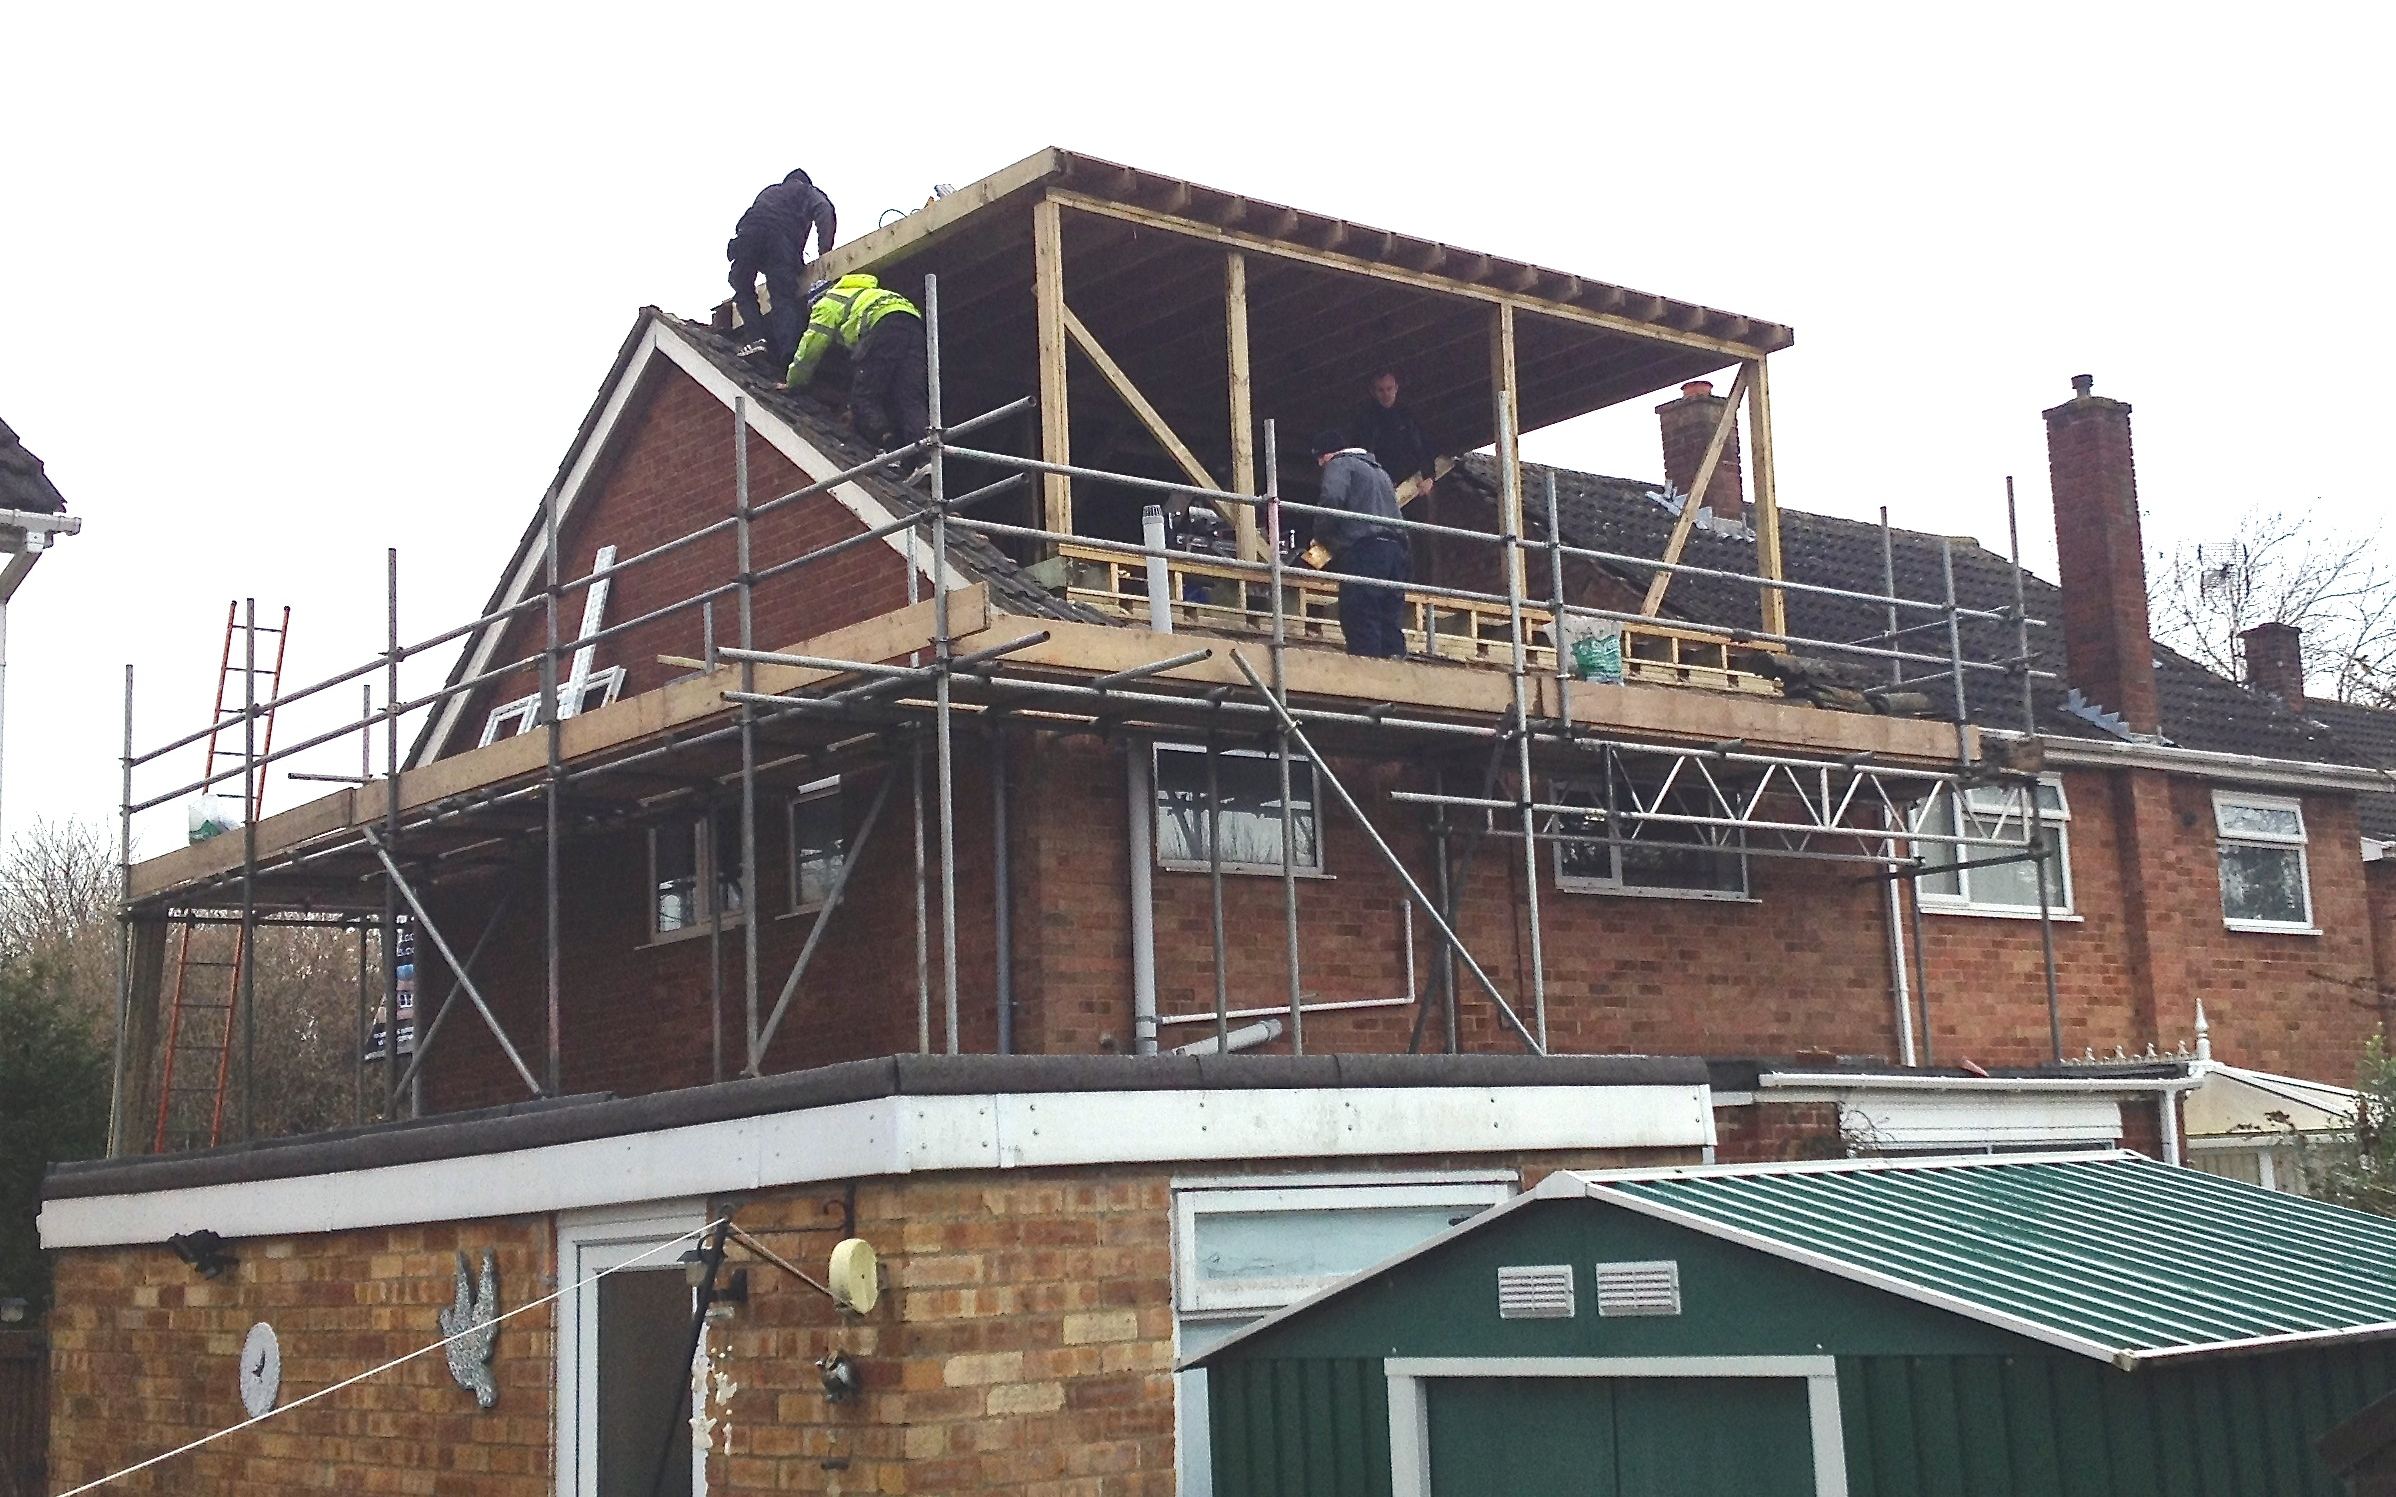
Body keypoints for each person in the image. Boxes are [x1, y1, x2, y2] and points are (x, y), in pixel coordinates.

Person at [787, 274, 928, 451]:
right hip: (912, 322)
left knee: (863, 398)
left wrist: (794, 381)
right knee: (909, 395)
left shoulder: (827, 302)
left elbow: (812, 345)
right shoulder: (863, 293)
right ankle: (924, 455)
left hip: (882, 326)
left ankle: (890, 450)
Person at [1306, 428, 1408, 659]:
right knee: (1388, 614)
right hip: (1396, 551)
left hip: (1366, 549)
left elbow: (1332, 499)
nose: (1322, 467)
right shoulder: (1379, 471)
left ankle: (1367, 671)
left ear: (1325, 455)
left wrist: (1321, 537)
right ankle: (1394, 667)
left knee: (1360, 611)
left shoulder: (1340, 464)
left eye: (1321, 461)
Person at [727, 169, 839, 373]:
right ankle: (790, 354)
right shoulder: (806, 191)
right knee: (782, 297)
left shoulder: (769, 192)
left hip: (749, 236)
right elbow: (824, 210)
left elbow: (749, 220)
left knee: (743, 287)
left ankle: (756, 339)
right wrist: (824, 252)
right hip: (780, 242)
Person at [1350, 371, 1436, 495]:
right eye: (1381, 390)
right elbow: (1362, 454)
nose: (1386, 394)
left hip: (1413, 481)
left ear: (1396, 388)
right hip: (1381, 483)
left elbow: (1423, 444)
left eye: (1389, 389)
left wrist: (1429, 476)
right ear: (1373, 392)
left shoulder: (1407, 414)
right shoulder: (1365, 420)